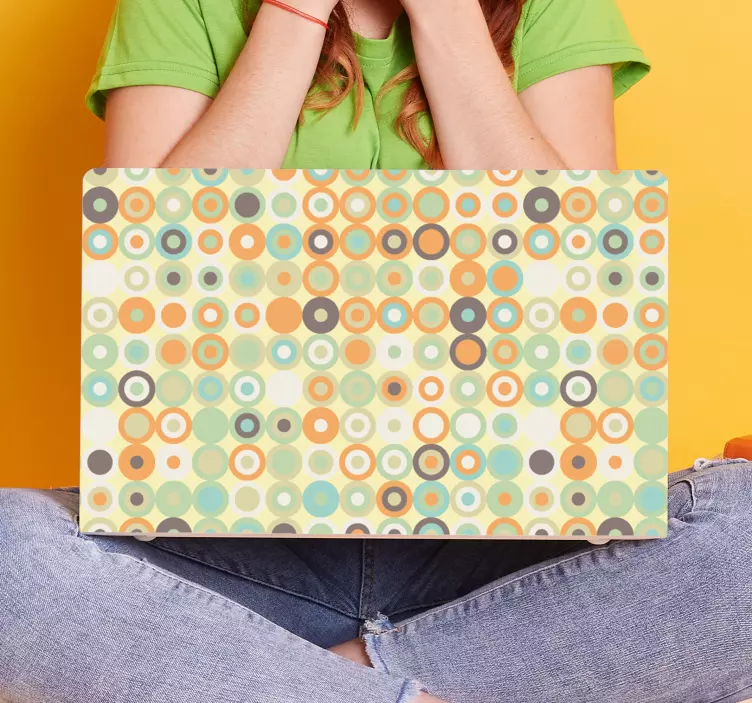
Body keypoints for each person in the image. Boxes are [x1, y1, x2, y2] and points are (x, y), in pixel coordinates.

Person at [1, 0, 751, 701]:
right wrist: (293, 11)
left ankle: (298, 680)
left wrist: (445, 16)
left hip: (509, 555)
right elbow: (159, 267)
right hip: (229, 545)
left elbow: (571, 278)